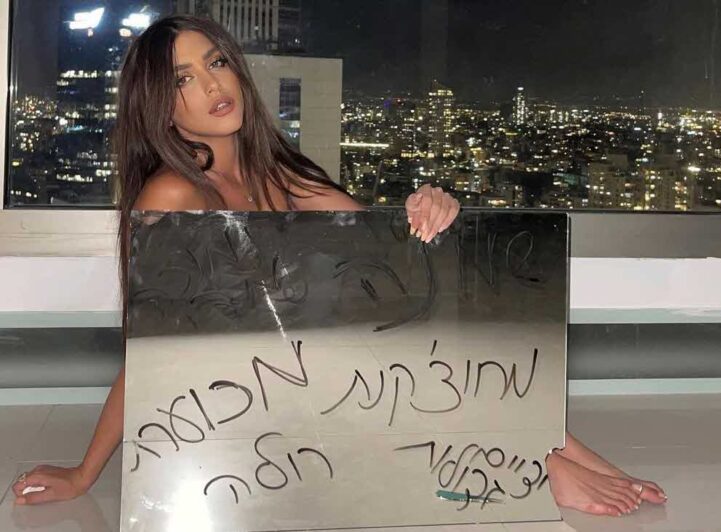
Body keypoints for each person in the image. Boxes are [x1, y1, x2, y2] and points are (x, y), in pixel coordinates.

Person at [12, 15, 664, 518]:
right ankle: (534, 461)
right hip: (245, 414)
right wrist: (85, 472)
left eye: (216, 62)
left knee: (407, 316)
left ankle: (550, 443)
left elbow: (393, 247)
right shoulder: (174, 195)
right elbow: (151, 354)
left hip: (311, 380)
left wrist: (430, 207)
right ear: (160, 104)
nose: (211, 85)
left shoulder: (277, 173)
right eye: (183, 78)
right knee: (367, 359)